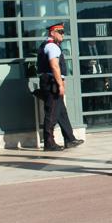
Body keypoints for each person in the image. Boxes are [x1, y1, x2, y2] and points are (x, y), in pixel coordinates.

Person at [37, 22, 83, 152]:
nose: (63, 35)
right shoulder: (52, 46)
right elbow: (54, 66)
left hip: (50, 81)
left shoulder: (48, 45)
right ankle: (49, 142)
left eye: (63, 32)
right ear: (52, 33)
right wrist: (60, 84)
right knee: (51, 113)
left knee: (61, 112)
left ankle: (70, 139)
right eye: (60, 32)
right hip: (52, 83)